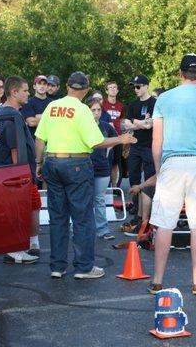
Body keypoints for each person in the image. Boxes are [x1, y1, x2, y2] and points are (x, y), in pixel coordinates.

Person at [34, 71, 137, 279]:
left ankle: (57, 266)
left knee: (58, 217)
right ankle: (83, 267)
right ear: (87, 90)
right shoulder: (81, 110)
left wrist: (39, 162)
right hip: (77, 164)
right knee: (82, 217)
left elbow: (39, 138)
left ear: (67, 86)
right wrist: (121, 139)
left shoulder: (52, 107)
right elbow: (96, 142)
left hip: (52, 161)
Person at [148, 54, 196, 296]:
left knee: (163, 223)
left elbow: (156, 140)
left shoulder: (164, 99)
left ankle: (157, 280)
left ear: (180, 73)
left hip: (172, 163)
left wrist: (159, 169)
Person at [0, 76, 40, 264]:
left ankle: (28, 244)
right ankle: (16, 250)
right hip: (19, 177)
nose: (28, 93)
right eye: (25, 90)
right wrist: (22, 178)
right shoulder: (10, 117)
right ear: (14, 92)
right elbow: (15, 151)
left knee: (33, 207)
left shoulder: (13, 114)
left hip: (24, 174)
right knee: (21, 210)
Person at [122, 75, 156, 220]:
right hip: (135, 145)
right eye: (134, 87)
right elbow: (126, 124)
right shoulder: (133, 105)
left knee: (149, 179)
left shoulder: (154, 103)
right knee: (133, 177)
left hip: (149, 146)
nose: (135, 89)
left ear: (146, 86)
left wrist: (135, 123)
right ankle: (137, 209)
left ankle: (149, 213)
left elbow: (150, 124)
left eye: (138, 86)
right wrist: (141, 123)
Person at [89, 99, 117, 241]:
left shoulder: (106, 126)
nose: (96, 113)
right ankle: (81, 229)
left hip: (102, 167)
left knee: (99, 199)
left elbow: (116, 138)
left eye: (99, 110)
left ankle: (103, 230)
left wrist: (108, 150)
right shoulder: (84, 126)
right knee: (84, 200)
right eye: (93, 110)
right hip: (85, 168)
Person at [102, 81, 126, 187]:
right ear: (106, 91)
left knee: (115, 163)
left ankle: (114, 187)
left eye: (115, 87)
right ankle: (104, 187)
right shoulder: (102, 105)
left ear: (117, 90)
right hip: (105, 137)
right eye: (110, 87)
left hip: (118, 137)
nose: (112, 89)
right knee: (105, 162)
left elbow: (122, 121)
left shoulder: (120, 105)